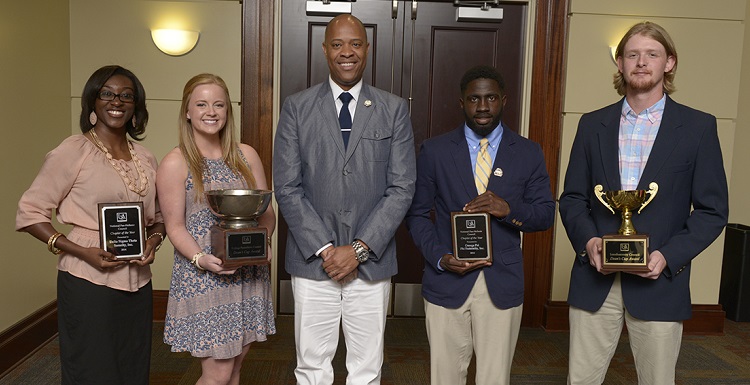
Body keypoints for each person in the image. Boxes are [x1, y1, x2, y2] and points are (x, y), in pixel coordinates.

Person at [559, 22, 729, 384]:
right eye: (632, 54)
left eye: (652, 54)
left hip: (660, 281)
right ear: (620, 63)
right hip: (595, 278)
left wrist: (668, 256)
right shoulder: (591, 125)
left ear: (669, 63)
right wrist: (589, 244)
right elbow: (572, 198)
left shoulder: (698, 127)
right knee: (581, 380)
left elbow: (713, 211)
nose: (641, 62)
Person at [273, 14, 416, 385]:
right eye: (337, 44)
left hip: (371, 265)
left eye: (355, 43)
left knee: (367, 369)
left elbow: (401, 187)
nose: (347, 52)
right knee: (311, 366)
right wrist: (326, 249)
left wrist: (358, 249)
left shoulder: (394, 109)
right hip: (312, 263)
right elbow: (287, 186)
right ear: (325, 50)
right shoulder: (297, 108)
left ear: (367, 50)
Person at [405, 65, 555, 385]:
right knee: (444, 377)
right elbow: (417, 215)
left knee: (494, 379)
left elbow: (545, 214)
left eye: (490, 98)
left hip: (501, 282)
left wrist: (508, 209)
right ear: (462, 103)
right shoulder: (435, 151)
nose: (483, 107)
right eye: (474, 99)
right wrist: (440, 258)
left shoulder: (528, 152)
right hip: (447, 280)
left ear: (503, 100)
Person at [15, 65, 164, 385]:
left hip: (138, 278)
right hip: (87, 277)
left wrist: (152, 242)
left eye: (127, 95)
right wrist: (81, 251)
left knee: (132, 361)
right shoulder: (73, 150)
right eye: (107, 93)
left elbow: (159, 219)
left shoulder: (146, 157)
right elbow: (30, 212)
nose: (117, 101)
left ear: (136, 106)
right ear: (92, 103)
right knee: (92, 365)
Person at [158, 73, 276, 385]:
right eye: (201, 104)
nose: (211, 111)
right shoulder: (176, 162)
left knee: (235, 368)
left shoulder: (246, 155)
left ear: (227, 111)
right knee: (218, 373)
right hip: (205, 278)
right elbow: (175, 226)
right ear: (187, 111)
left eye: (218, 104)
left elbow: (267, 213)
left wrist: (263, 245)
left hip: (248, 275)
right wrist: (200, 258)